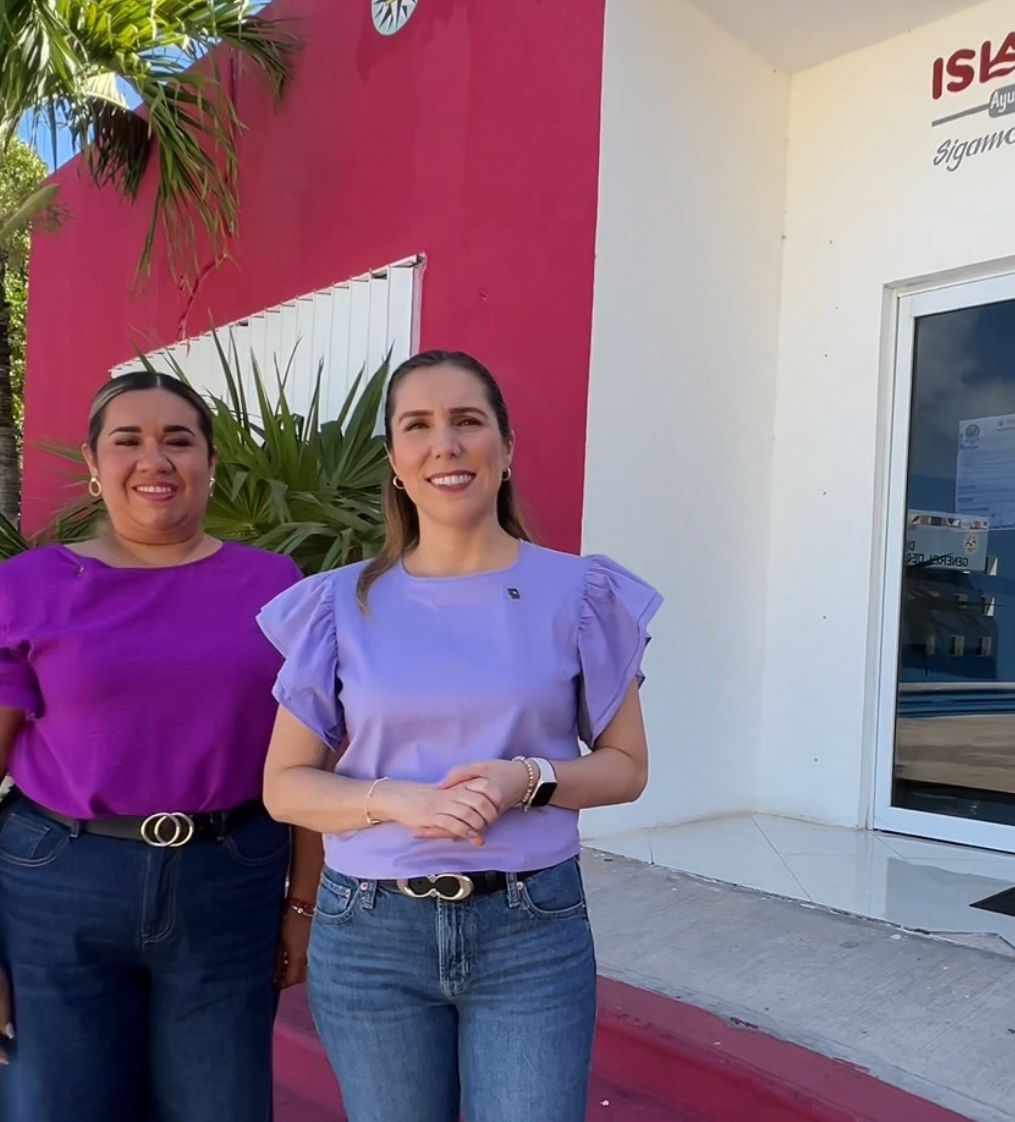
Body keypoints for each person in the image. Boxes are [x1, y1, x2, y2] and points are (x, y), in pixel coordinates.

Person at [260, 350, 661, 1122]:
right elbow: (285, 786)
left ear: (505, 449)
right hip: (369, 933)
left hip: (530, 929)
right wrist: (398, 802)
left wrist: (528, 780)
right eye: (418, 425)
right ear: (395, 461)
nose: (444, 444)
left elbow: (626, 767)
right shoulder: (336, 606)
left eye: (467, 421)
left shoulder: (581, 593)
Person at [0, 371, 319, 1122]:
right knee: (57, 1106)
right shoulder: (28, 585)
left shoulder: (275, 586)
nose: (155, 460)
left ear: (210, 461)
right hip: (58, 881)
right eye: (128, 441)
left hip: (229, 879)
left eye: (178, 440)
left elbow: (310, 759)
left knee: (220, 1105)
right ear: (93, 462)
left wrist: (303, 905)